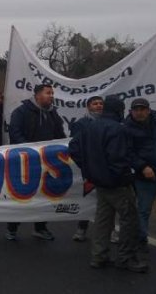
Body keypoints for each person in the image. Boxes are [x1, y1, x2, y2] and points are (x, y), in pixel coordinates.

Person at [69, 95, 148, 273]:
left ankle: (99, 256)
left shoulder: (89, 127)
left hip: (98, 182)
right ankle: (125, 258)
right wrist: (122, 176)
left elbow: (73, 148)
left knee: (103, 220)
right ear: (118, 110)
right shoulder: (118, 130)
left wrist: (89, 169)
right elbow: (118, 158)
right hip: (117, 183)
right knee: (129, 219)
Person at [6, 84, 64, 241]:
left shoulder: (53, 114)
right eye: (48, 93)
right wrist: (30, 151)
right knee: (21, 195)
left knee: (43, 196)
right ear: (38, 95)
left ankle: (40, 227)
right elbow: (15, 132)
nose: (51, 96)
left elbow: (60, 135)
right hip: (25, 161)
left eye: (52, 93)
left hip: (46, 162)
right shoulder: (21, 112)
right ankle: (12, 228)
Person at [124, 97, 156, 251]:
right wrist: (142, 167)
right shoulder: (126, 128)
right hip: (144, 176)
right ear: (131, 111)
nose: (139, 112)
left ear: (148, 110)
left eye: (142, 109)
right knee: (144, 209)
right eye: (136, 110)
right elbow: (128, 152)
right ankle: (141, 239)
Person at [68, 95, 103, 242]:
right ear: (88, 107)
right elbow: (74, 147)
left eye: (101, 104)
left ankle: (111, 230)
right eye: (95, 104)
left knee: (107, 201)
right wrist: (84, 164)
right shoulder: (81, 124)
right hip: (89, 169)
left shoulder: (109, 122)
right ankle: (82, 229)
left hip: (106, 168)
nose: (99, 106)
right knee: (88, 199)